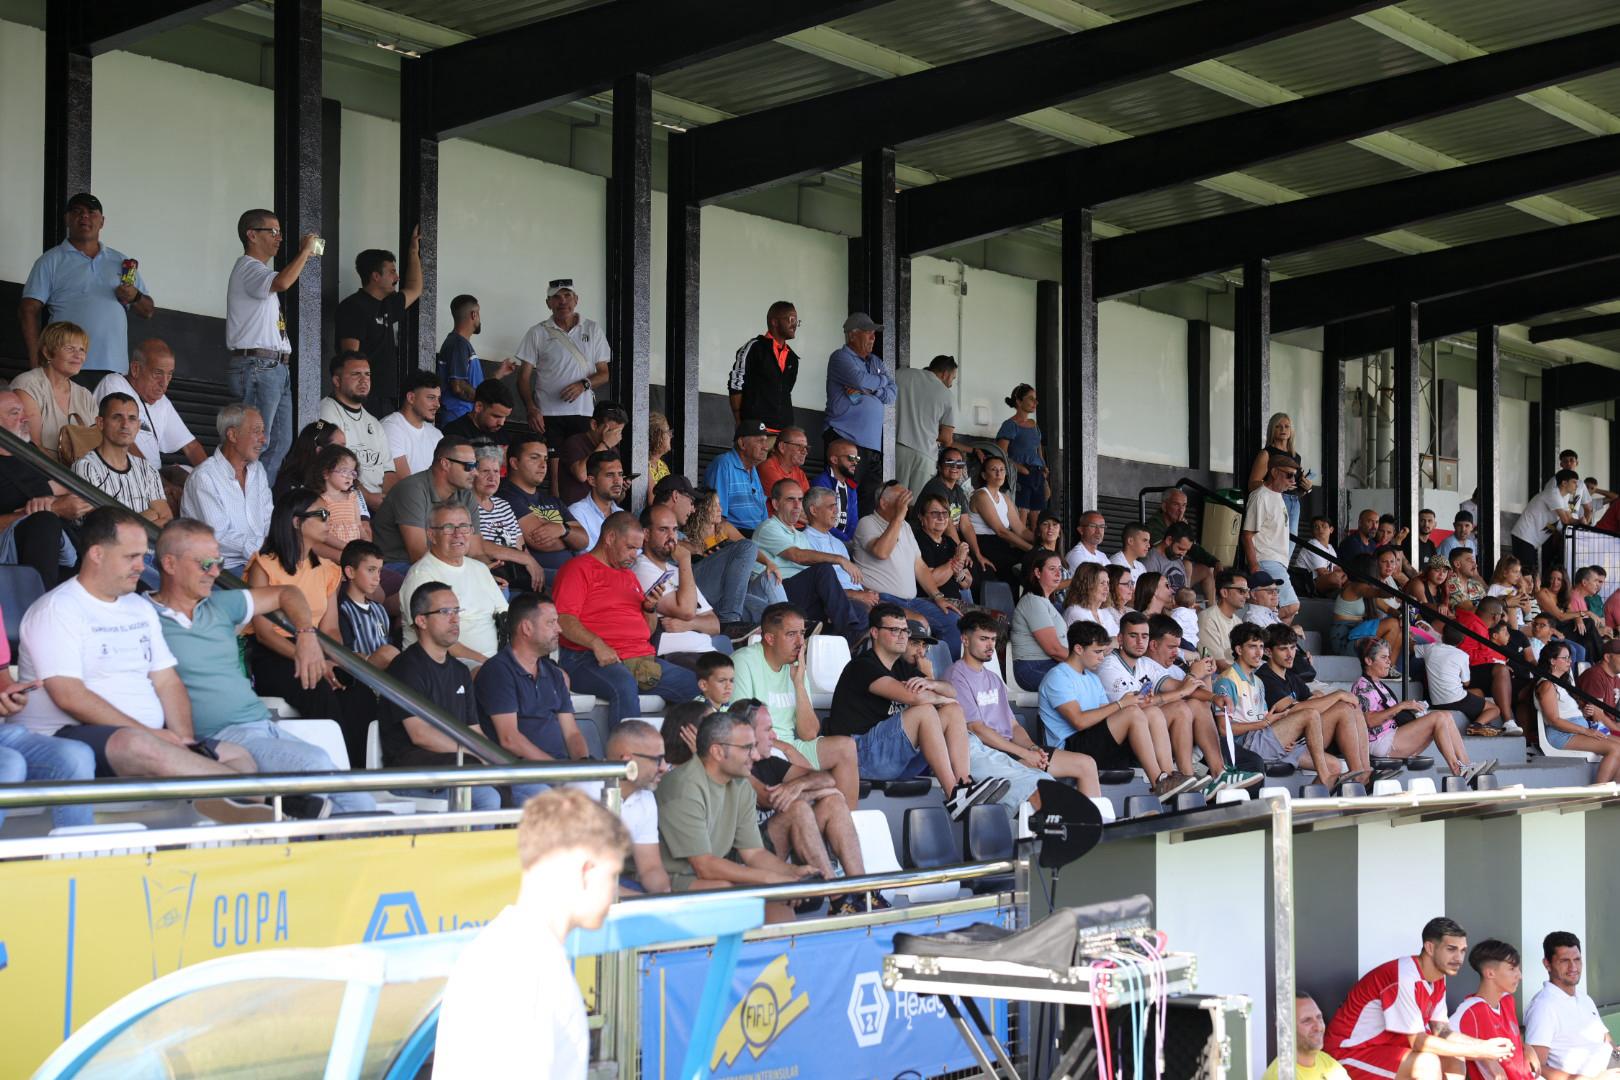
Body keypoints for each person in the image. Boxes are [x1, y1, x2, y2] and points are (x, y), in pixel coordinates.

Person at [9, 507, 264, 820]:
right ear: (97, 554)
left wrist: (183, 739)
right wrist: (150, 734)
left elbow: (167, 681)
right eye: (131, 557)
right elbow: (70, 696)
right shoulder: (58, 609)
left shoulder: (138, 607)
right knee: (137, 744)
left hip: (146, 738)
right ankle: (259, 799)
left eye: (143, 556)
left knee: (237, 754)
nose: (142, 567)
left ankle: (231, 803)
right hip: (65, 738)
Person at [147, 518, 374, 816]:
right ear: (169, 564)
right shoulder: (143, 616)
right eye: (206, 564)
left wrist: (306, 635)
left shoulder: (221, 604)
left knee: (358, 796)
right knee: (315, 765)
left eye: (218, 562)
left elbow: (287, 593)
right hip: (218, 737)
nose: (215, 572)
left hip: (261, 726)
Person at [432, 788, 628, 1078]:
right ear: (586, 871)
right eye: (611, 876)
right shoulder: (525, 966)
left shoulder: (515, 950)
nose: (613, 892)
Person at [826, 604, 1005, 817]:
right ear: (874, 632)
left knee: (953, 710)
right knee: (925, 711)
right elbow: (915, 697)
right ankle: (954, 795)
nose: (902, 636)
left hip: (892, 757)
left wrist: (932, 683)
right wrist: (938, 696)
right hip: (860, 757)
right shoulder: (862, 665)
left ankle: (964, 784)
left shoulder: (902, 667)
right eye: (894, 630)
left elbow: (952, 692)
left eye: (905, 631)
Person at [655, 710, 817, 920]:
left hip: (704, 875)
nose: (755, 756)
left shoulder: (741, 785)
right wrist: (770, 879)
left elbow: (754, 854)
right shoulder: (684, 787)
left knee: (776, 896)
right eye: (747, 748)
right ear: (717, 752)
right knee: (731, 890)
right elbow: (704, 866)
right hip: (664, 879)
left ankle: (784, 943)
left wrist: (790, 873)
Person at [552, 511, 700, 728]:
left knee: (696, 686)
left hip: (640, 660)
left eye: (637, 549)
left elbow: (648, 631)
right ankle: (628, 748)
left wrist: (649, 608)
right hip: (587, 657)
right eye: (630, 547)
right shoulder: (577, 568)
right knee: (623, 683)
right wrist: (597, 644)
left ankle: (679, 748)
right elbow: (563, 619)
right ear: (610, 538)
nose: (634, 555)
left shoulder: (629, 576)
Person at [1325, 916, 1516, 1080]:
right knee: (1426, 1062)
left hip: (1386, 1049)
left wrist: (1484, 1047)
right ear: (1430, 947)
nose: (1459, 958)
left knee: (1454, 1056)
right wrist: (1480, 1051)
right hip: (1349, 1053)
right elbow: (1418, 1042)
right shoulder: (1404, 976)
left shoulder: (1438, 979)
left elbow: (1442, 1031)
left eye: (1462, 950)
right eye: (1451, 949)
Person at [947, 609, 1100, 807]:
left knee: (1086, 764)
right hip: (989, 752)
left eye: (993, 639)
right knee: (1045, 787)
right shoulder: (956, 676)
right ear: (965, 640)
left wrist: (1032, 747)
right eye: (983, 639)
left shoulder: (994, 678)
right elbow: (976, 728)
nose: (990, 645)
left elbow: (1013, 726)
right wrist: (1024, 753)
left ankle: (1098, 821)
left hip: (1011, 748)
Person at [738, 698, 874, 915]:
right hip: (748, 859)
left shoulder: (769, 762)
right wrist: (816, 792)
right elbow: (770, 799)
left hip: (781, 850)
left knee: (833, 802)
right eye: (768, 729)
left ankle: (862, 893)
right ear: (748, 733)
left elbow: (827, 779)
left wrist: (799, 785)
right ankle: (837, 899)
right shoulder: (736, 765)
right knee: (799, 809)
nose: (774, 736)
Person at [1101, 611, 1258, 790]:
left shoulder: (1145, 664)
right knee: (1179, 707)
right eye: (1133, 636)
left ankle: (1214, 773)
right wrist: (1188, 684)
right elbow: (1133, 706)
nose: (1139, 642)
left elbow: (1181, 688)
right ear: (1120, 639)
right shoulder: (1109, 666)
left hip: (1152, 731)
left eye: (1144, 636)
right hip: (1126, 737)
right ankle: (1186, 776)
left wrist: (1215, 697)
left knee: (1193, 704)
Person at [1039, 620, 1196, 799]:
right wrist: (1122, 704)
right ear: (1078, 649)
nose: (1101, 657)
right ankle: (1158, 783)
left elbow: (1104, 713)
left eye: (1103, 652)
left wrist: (1132, 700)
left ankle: (1169, 777)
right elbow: (1079, 721)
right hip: (1070, 750)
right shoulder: (1058, 677)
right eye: (1097, 652)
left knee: (1151, 711)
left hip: (1096, 743)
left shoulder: (1091, 677)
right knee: (1132, 712)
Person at [378, 583, 501, 810]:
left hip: (457, 766)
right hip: (414, 772)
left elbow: (474, 730)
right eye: (445, 612)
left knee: (525, 788)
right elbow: (421, 735)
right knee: (488, 798)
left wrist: (495, 757)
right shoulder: (405, 668)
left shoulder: (460, 671)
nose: (455, 619)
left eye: (456, 611)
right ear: (421, 621)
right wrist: (477, 755)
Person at [728, 603, 859, 808]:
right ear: (770, 638)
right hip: (761, 747)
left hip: (792, 746)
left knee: (846, 747)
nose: (800, 642)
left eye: (802, 633)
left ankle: (848, 818)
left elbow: (809, 734)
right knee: (823, 790)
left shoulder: (796, 667)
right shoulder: (743, 662)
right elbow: (740, 728)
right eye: (791, 635)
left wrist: (798, 683)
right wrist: (787, 748)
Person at [226, 208, 317, 480]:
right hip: (257, 366)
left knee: (279, 443)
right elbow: (283, 282)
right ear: (251, 235)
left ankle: (258, 497)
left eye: (280, 232)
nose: (279, 238)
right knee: (253, 442)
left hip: (274, 367)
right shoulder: (248, 267)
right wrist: (305, 252)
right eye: (273, 231)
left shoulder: (259, 271)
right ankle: (238, 495)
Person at [21, 191, 154, 378]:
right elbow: (28, 310)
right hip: (65, 366)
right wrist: (36, 361)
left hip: (114, 368)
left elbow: (148, 311)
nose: (84, 216)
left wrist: (135, 296)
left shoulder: (121, 262)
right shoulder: (50, 261)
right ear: (67, 219)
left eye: (92, 212)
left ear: (102, 221)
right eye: (77, 211)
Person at [476, 594, 589, 803]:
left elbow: (572, 733)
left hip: (556, 770)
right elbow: (510, 739)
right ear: (527, 628)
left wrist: (583, 765)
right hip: (519, 774)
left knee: (609, 791)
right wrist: (558, 772)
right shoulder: (498, 671)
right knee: (561, 804)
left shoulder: (553, 673)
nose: (559, 629)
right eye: (551, 622)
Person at [245, 488, 346, 719]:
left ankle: (351, 746)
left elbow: (331, 629)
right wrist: (309, 658)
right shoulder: (264, 566)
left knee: (355, 691)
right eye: (321, 515)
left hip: (316, 646)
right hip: (275, 652)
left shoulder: (328, 569)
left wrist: (331, 661)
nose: (328, 521)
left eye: (328, 514)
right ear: (297, 522)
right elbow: (264, 633)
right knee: (317, 691)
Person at [373, 437, 531, 579]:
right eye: (469, 466)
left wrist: (485, 575)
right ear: (445, 464)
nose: (475, 473)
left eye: (475, 466)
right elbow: (419, 555)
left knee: (498, 589)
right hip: (397, 566)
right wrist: (466, 576)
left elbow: (475, 551)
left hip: (445, 565)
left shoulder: (465, 494)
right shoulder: (412, 490)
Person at [853, 481, 962, 660]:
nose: (906, 503)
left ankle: (950, 672)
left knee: (952, 621)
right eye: (901, 499)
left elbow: (919, 566)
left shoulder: (905, 526)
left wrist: (938, 596)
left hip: (912, 601)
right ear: (883, 503)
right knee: (919, 623)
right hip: (883, 599)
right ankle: (919, 673)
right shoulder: (867, 523)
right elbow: (881, 552)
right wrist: (898, 517)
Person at [751, 482, 872, 644]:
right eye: (790, 499)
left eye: (800, 500)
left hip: (801, 595)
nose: (797, 505)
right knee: (823, 569)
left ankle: (843, 648)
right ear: (775, 504)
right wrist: (839, 559)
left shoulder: (800, 535)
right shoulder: (768, 528)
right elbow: (797, 555)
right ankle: (848, 632)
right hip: (775, 591)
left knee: (858, 609)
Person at [1256, 623, 1373, 781]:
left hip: (1302, 738)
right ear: (1269, 652)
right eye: (1283, 649)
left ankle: (1365, 771)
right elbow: (1293, 709)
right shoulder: (1265, 676)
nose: (1290, 654)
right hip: (1282, 742)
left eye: (1293, 648)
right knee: (1343, 709)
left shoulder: (1291, 676)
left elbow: (1313, 701)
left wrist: (1318, 700)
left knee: (1352, 708)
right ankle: (1359, 775)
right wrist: (1337, 695)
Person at [1355, 637, 1482, 780]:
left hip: (1392, 735)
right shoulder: (1363, 686)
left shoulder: (1379, 684)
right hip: (1379, 742)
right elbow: (1370, 721)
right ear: (1368, 661)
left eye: (1388, 657)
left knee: (1446, 715)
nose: (1389, 661)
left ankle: (1466, 765)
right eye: (1383, 657)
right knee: (1438, 717)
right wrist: (1401, 706)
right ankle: (1457, 770)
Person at [399, 503, 511, 664]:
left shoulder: (480, 568)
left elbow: (505, 616)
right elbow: (436, 639)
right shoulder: (421, 575)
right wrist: (489, 664)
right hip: (447, 664)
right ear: (431, 535)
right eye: (448, 528)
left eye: (464, 527)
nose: (458, 534)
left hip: (492, 661)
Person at [0, 389, 90, 588]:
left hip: (63, 546)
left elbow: (73, 490)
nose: (25, 418)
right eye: (15, 413)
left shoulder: (29, 452)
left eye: (24, 412)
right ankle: (39, 603)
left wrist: (58, 502)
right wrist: (50, 510)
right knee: (44, 521)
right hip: (15, 552)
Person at [517, 278, 611, 447]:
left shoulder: (593, 329)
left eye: (567, 295)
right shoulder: (537, 332)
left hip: (583, 413)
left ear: (576, 300)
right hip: (546, 414)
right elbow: (523, 378)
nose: (563, 301)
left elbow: (604, 374)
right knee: (550, 461)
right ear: (548, 303)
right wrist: (531, 409)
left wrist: (583, 385)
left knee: (580, 461)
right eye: (556, 297)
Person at [179, 404, 272, 576]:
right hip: (220, 568)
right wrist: (267, 547)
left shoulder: (257, 470)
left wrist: (276, 547)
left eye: (263, 432)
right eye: (256, 431)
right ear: (233, 435)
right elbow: (219, 536)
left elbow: (268, 518)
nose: (263, 439)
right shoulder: (204, 477)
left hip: (260, 560)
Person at [335, 239, 423, 414]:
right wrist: (357, 393)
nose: (397, 278)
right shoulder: (353, 306)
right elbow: (350, 356)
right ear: (376, 276)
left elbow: (415, 288)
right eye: (392, 272)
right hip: (364, 396)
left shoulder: (388, 303)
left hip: (386, 395)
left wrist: (413, 251)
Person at [92, 340, 205, 471]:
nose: (164, 383)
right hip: (125, 472)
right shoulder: (114, 383)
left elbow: (191, 447)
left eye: (169, 374)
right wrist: (155, 478)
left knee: (186, 472)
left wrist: (212, 478)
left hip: (153, 474)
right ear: (135, 369)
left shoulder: (162, 401)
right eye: (158, 373)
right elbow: (123, 443)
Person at [823, 312, 896, 517]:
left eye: (874, 333)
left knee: (869, 502)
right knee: (842, 499)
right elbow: (860, 380)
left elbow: (893, 394)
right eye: (867, 332)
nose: (873, 337)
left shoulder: (876, 362)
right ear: (852, 335)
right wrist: (880, 382)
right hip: (845, 438)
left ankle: (860, 537)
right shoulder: (840, 357)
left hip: (871, 445)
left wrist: (874, 389)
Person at [634, 503, 730, 656]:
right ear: (646, 534)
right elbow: (686, 611)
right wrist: (685, 559)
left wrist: (690, 624)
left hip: (702, 648)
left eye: (674, 530)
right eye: (663, 529)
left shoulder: (677, 571)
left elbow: (714, 624)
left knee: (726, 649)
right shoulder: (641, 568)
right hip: (675, 653)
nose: (671, 536)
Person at [1526, 931, 1617, 1079]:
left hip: (1613, 1066)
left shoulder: (1584, 999)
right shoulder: (1543, 1007)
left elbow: (1607, 1040)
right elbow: (1537, 1067)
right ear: (1547, 964)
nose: (1573, 967)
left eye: (1577, 959)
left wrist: (1616, 1053)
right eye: (1564, 961)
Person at [335, 539, 395, 765]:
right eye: (370, 570)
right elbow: (346, 653)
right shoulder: (341, 609)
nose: (377, 577)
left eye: (379, 571)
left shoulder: (380, 610)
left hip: (385, 680)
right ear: (350, 572)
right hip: (360, 681)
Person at [73, 393, 171, 526]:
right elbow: (104, 528)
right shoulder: (87, 467)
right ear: (100, 423)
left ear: (138, 426)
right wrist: (150, 514)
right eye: (117, 417)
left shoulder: (146, 468)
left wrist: (127, 524)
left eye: (132, 419)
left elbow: (166, 519)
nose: (125, 425)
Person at [498, 436, 588, 574]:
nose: (543, 465)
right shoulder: (506, 496)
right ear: (514, 463)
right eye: (535, 458)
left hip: (570, 572)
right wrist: (571, 540)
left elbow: (584, 540)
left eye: (545, 459)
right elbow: (542, 543)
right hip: (537, 577)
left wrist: (562, 530)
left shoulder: (552, 501)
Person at [1534, 641, 1620, 783]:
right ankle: (1600, 791)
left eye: (1570, 658)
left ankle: (1616, 789)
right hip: (1562, 735)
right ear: (1552, 661)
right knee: (1615, 749)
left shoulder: (1562, 683)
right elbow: (1553, 720)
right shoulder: (1547, 685)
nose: (1570, 661)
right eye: (1565, 658)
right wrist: (1586, 731)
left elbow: (1567, 712)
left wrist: (1583, 713)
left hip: (1576, 731)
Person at [318, 351, 395, 508]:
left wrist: (388, 502)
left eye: (367, 374)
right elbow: (333, 467)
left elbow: (389, 472)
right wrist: (367, 498)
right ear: (337, 381)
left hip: (377, 504)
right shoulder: (326, 412)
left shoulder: (374, 422)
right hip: (345, 502)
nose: (364, 380)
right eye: (355, 374)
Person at [1452, 940, 1538, 1080]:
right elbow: (1443, 1043)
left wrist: (1526, 1047)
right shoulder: (1471, 1010)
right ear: (1490, 973)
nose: (1520, 975)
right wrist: (1484, 1057)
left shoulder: (1507, 1000)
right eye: (1512, 969)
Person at [13, 321, 97, 462]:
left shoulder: (85, 395)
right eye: (70, 348)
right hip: (43, 470)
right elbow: (33, 447)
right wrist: (70, 475)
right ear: (47, 352)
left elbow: (99, 445)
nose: (78, 355)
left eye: (82, 349)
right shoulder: (28, 386)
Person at [607, 720, 672, 894]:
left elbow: (651, 868)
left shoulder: (646, 797)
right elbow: (579, 881)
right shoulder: (582, 795)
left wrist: (665, 897)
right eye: (657, 760)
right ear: (627, 761)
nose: (665, 768)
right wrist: (647, 903)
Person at [435, 294, 514, 427]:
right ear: (474, 315)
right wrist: (486, 403)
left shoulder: (460, 344)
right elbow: (458, 386)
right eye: (479, 314)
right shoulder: (458, 344)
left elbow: (476, 388)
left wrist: (498, 374)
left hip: (462, 418)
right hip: (457, 418)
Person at [1243, 452, 1302, 623]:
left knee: (1288, 611)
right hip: (1266, 559)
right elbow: (1247, 534)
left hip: (1278, 560)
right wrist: (1254, 566)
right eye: (1289, 475)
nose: (1293, 480)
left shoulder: (1278, 496)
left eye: (1295, 476)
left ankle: (1272, 636)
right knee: (1291, 606)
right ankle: (1257, 625)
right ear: (1275, 472)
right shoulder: (1260, 496)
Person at [471, 444, 538, 591]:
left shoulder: (504, 505)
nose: (492, 477)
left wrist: (533, 565)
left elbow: (521, 546)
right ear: (472, 473)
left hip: (516, 572)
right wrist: (526, 560)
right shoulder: (465, 506)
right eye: (485, 471)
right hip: (490, 572)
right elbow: (477, 546)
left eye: (496, 471)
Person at [728, 300, 800, 432]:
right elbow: (736, 385)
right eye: (791, 319)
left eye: (797, 321)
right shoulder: (754, 348)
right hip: (756, 430)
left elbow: (785, 391)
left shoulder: (793, 358)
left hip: (784, 432)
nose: (795, 325)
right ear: (774, 322)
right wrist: (740, 422)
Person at [968, 455, 1033, 592]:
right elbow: (1001, 531)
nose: (999, 473)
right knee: (1018, 562)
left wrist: (1041, 541)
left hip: (999, 542)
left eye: (1002, 470)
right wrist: (1031, 549)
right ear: (984, 475)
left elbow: (1021, 530)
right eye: (994, 470)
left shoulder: (1004, 498)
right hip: (983, 542)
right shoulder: (981, 495)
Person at [1429, 621, 1505, 737]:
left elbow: (1414, 647)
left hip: (1436, 702)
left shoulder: (1429, 649)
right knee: (1494, 709)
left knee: (1478, 693)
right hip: (1455, 700)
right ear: (1462, 640)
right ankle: (1476, 726)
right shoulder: (1462, 655)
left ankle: (1479, 721)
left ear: (1442, 635)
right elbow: (1466, 683)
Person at [895, 354, 957, 496]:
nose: (951, 384)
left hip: (898, 448)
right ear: (945, 374)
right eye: (953, 378)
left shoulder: (902, 374)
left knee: (895, 498)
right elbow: (947, 438)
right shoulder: (947, 395)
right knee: (919, 503)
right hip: (926, 454)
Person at [1248, 413, 1312, 550]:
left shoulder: (1296, 456)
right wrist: (1276, 486)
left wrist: (1307, 488)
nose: (1283, 429)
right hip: (1275, 500)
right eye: (1278, 426)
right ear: (1272, 429)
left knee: (1290, 543)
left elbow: (1294, 489)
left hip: (1294, 503)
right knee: (1274, 543)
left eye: (1287, 426)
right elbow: (1253, 484)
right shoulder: (1267, 453)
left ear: (1291, 430)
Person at [1146, 488, 1221, 603]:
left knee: (1207, 569)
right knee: (1187, 563)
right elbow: (1164, 550)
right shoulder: (1153, 525)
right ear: (1164, 506)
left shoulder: (1181, 524)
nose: (1181, 510)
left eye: (1184, 505)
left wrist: (1214, 562)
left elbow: (1193, 549)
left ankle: (1212, 609)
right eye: (1176, 505)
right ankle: (1185, 601)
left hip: (1177, 576)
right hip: (1161, 578)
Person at [1011, 549, 1070, 688]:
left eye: (1060, 569)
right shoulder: (1033, 602)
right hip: (1032, 666)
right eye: (1052, 569)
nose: (1058, 574)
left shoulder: (1046, 602)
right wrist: (1081, 661)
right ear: (1038, 573)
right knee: (1077, 682)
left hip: (1051, 664)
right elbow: (1053, 650)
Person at [307, 444, 371, 563]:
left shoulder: (352, 497)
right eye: (344, 471)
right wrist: (346, 547)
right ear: (326, 473)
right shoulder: (320, 501)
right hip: (334, 554)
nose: (349, 477)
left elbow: (359, 526)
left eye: (352, 472)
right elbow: (323, 533)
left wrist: (366, 542)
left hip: (354, 552)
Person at [1263, 992, 1350, 1080]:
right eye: (1307, 1021)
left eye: (1319, 1017)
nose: (1318, 1027)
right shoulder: (1282, 1075)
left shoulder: (1329, 1063)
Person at [997, 384, 1047, 531]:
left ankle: (1036, 545)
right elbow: (1000, 453)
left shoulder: (1034, 424)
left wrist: (1044, 470)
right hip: (1020, 474)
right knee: (1021, 515)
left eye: (1035, 399)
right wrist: (1019, 468)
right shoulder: (1010, 425)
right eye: (1031, 398)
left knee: (1038, 517)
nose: (1035, 402)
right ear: (1019, 402)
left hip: (1037, 473)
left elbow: (1038, 449)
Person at [556, 400, 627, 505]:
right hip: (576, 510)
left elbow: (617, 499)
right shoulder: (574, 442)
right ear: (594, 425)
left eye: (618, 433)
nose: (614, 437)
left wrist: (621, 488)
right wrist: (605, 444)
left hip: (603, 510)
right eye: (610, 431)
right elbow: (581, 475)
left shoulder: (613, 450)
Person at [705, 419, 770, 531]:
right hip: (734, 535)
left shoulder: (752, 468)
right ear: (742, 443)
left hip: (756, 534)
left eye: (766, 441)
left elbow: (763, 517)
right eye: (760, 441)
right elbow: (716, 520)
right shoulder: (723, 464)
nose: (766, 447)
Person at [912, 491, 975, 604]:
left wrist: (958, 574)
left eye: (945, 513)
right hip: (931, 602)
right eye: (934, 513)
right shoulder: (919, 541)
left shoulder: (949, 541)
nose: (941, 517)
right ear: (921, 517)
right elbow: (932, 581)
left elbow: (967, 583)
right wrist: (957, 559)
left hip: (955, 602)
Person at [1512, 469, 1579, 575]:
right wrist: (1580, 523)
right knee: (1527, 574)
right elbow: (1565, 520)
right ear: (1564, 483)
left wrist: (1581, 521)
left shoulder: (1564, 497)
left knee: (1530, 574)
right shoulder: (1553, 493)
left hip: (1531, 541)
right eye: (1574, 482)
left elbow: (1570, 519)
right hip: (1524, 537)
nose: (1577, 486)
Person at [381, 369, 444, 479]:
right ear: (411, 398)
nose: (437, 404)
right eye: (431, 398)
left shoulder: (436, 434)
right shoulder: (390, 428)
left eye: (438, 398)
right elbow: (405, 483)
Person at [567, 450, 626, 551]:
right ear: (592, 481)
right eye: (610, 475)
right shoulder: (577, 512)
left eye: (620, 474)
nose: (617, 481)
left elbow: (635, 552)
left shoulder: (621, 514)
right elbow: (585, 554)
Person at [810, 436, 862, 543]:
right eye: (851, 458)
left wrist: (852, 542)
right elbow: (821, 521)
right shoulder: (821, 482)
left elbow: (854, 522)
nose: (855, 463)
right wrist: (846, 541)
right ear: (834, 460)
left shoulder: (851, 486)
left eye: (857, 459)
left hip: (845, 543)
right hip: (824, 540)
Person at [442, 379, 517, 448]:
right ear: (478, 407)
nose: (501, 423)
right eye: (496, 416)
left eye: (505, 417)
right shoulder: (454, 433)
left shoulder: (503, 436)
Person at [1198, 569, 1250, 667]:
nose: (1247, 596)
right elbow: (1219, 664)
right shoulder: (1208, 618)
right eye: (1242, 591)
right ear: (1224, 592)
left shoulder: (1238, 621)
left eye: (1247, 591)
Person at [1292, 515, 1347, 599]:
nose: (1320, 529)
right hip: (1306, 585)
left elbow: (1337, 569)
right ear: (1313, 531)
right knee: (1335, 578)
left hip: (1320, 582)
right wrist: (1340, 577)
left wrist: (1343, 576)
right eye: (1316, 527)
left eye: (1324, 526)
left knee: (1348, 578)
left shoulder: (1330, 548)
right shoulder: (1312, 544)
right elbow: (1323, 573)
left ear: (1331, 530)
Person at [757, 425, 811, 499]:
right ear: (782, 447)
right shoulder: (768, 468)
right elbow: (786, 501)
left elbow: (808, 502)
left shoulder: (800, 473)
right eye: (799, 446)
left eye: (806, 448)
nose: (805, 452)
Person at [1065, 509, 1109, 574]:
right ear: (1081, 530)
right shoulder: (1077, 555)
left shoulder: (1102, 556)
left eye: (1102, 527)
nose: (1098, 531)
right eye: (1093, 526)